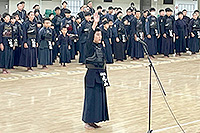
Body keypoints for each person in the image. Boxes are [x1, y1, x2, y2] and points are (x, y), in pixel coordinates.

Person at [82, 12, 109, 130]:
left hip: (100, 75)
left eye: (100, 35)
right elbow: (89, 38)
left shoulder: (100, 47)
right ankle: (87, 121)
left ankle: (94, 120)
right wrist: (95, 24)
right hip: (92, 76)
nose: (99, 37)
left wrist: (105, 77)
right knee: (91, 99)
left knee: (99, 99)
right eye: (97, 35)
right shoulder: (89, 46)